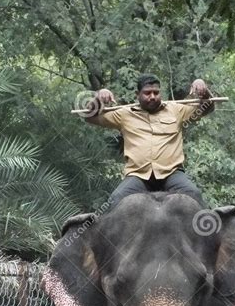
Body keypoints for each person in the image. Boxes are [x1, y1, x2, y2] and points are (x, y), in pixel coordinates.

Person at [85, 74, 215, 207]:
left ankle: (208, 227)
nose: (152, 96)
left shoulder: (176, 110)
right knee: (115, 200)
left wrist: (203, 91)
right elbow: (89, 116)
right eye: (147, 93)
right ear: (137, 94)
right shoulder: (124, 114)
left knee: (194, 194)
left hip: (172, 174)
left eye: (156, 93)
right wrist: (98, 98)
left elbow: (207, 107)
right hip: (139, 176)